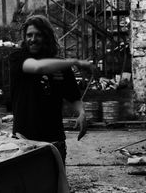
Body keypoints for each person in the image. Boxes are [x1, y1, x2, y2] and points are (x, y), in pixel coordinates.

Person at [9, 14, 93, 164]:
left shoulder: (61, 66)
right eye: (29, 35)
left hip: (54, 140)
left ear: (46, 37)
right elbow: (38, 67)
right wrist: (73, 61)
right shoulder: (17, 58)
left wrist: (81, 113)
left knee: (55, 186)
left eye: (38, 35)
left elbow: (73, 96)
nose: (32, 39)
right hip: (23, 141)